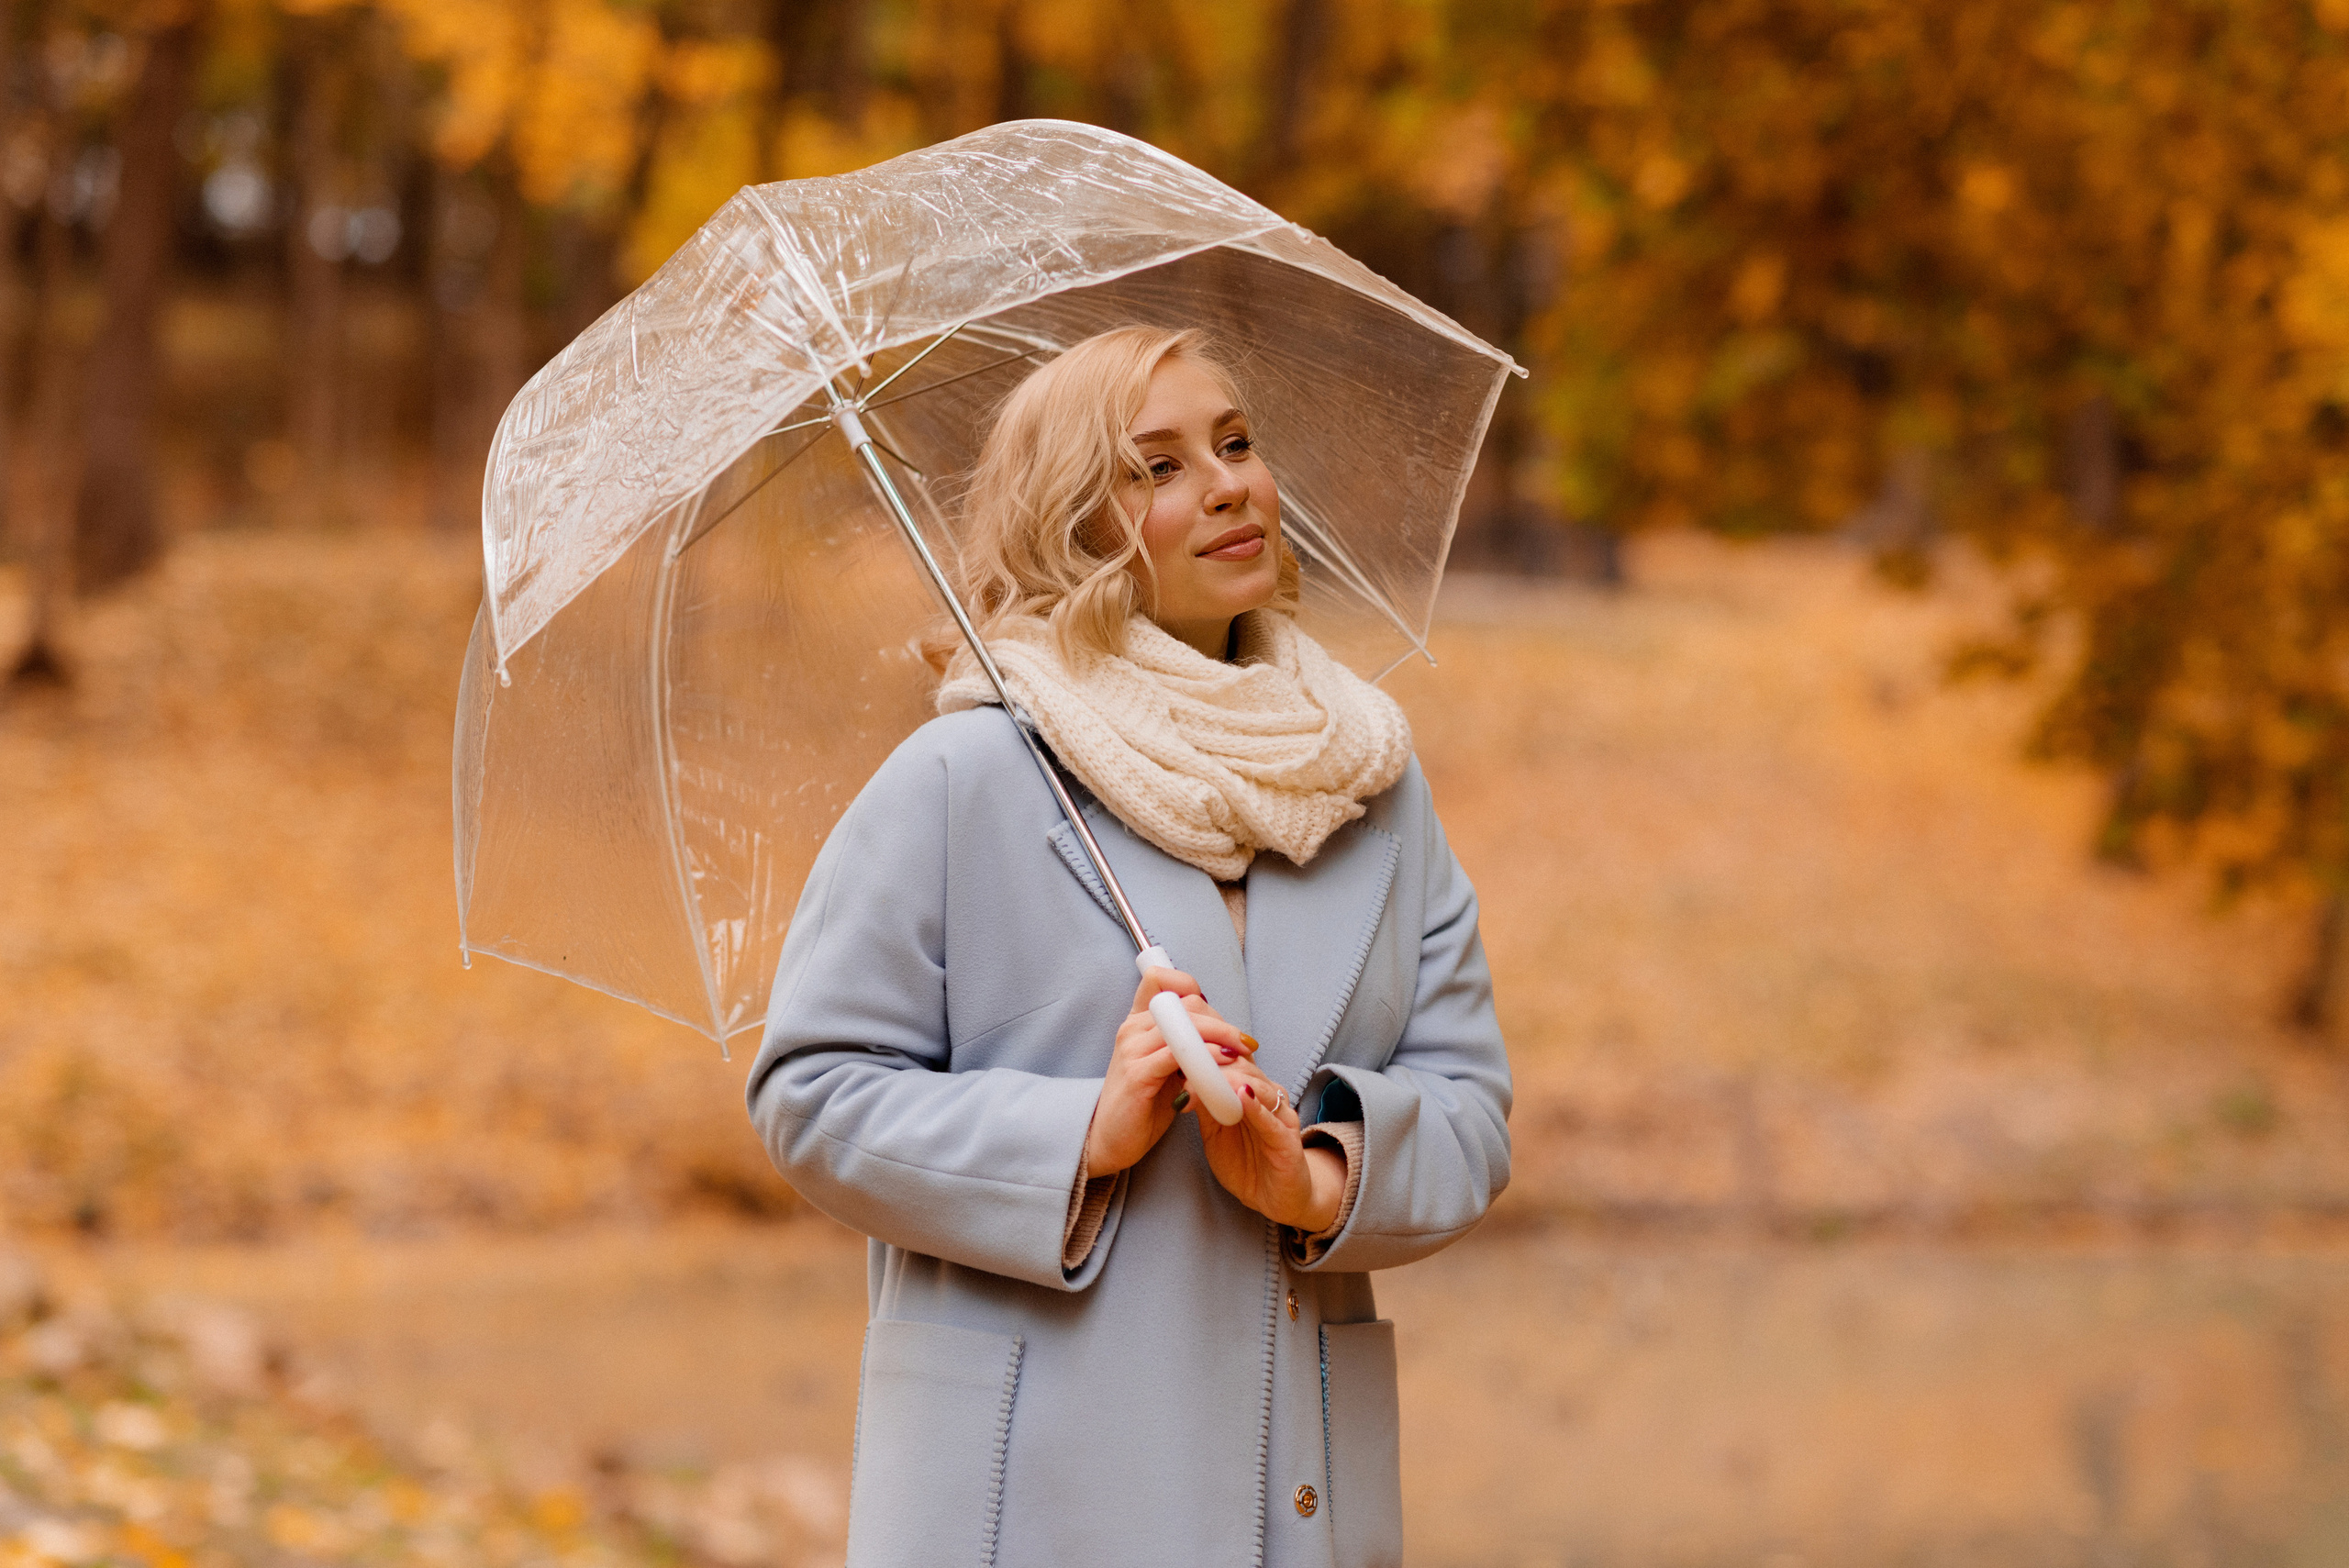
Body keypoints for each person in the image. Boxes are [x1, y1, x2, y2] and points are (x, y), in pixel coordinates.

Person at [745, 325, 1511, 1568]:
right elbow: (812, 1095)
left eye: (1236, 442)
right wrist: (1080, 1139)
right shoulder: (965, 778)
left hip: (1296, 1497)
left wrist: (1317, 1176)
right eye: (1154, 468)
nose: (1225, 484)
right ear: (1075, 527)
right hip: (1027, 1498)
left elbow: (1472, 1105)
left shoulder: (1371, 782)